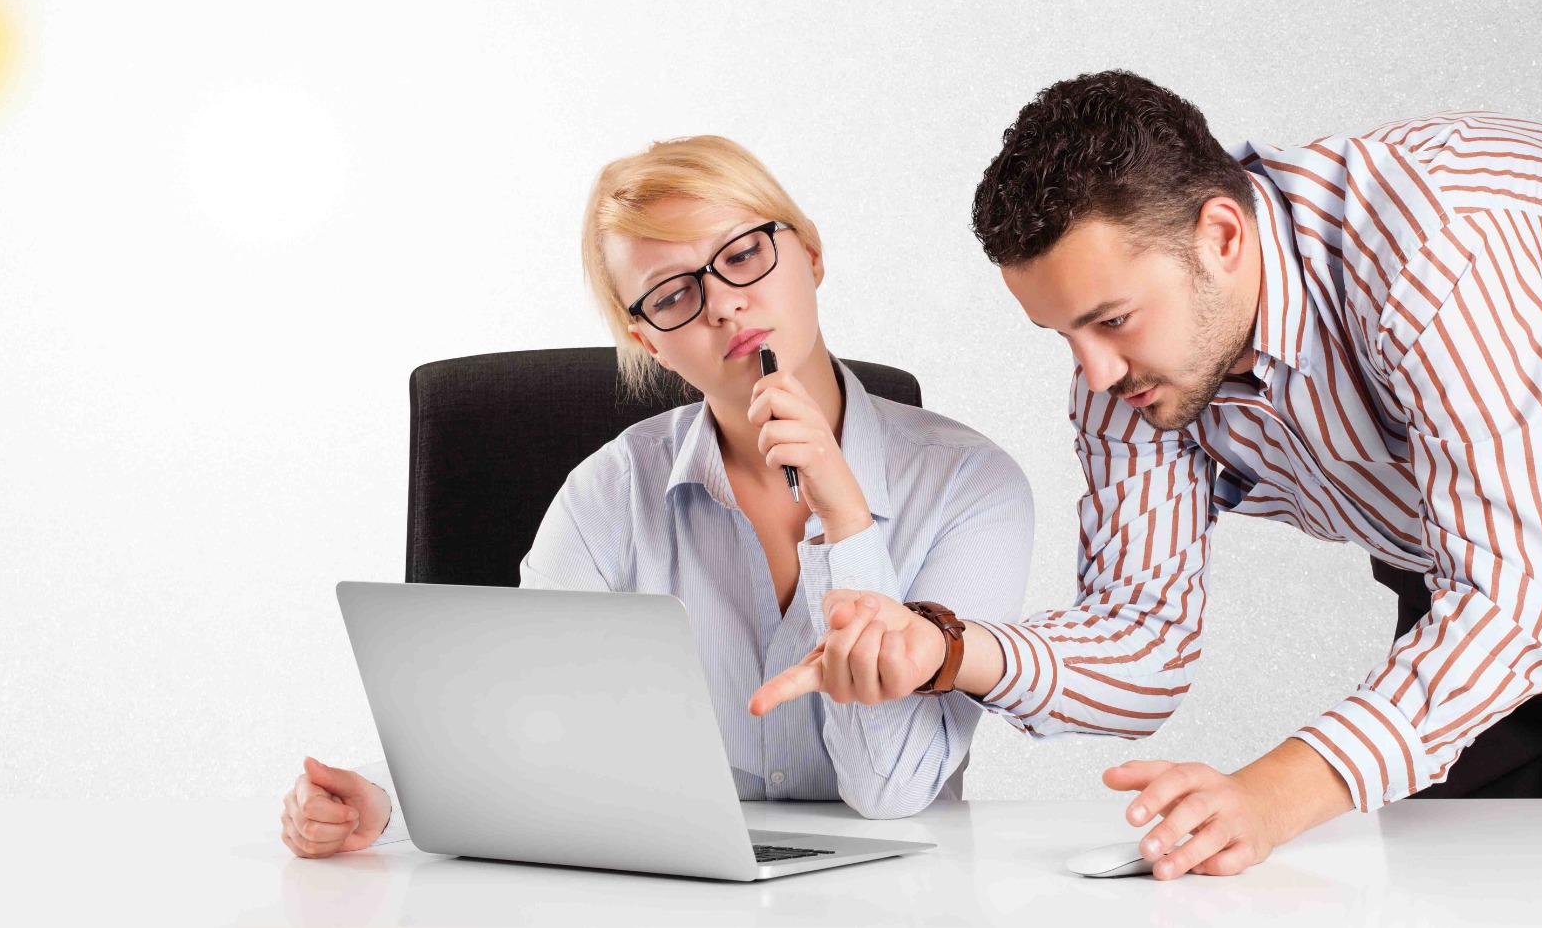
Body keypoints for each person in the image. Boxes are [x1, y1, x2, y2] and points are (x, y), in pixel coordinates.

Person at [751, 72, 1542, 881]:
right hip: (1463, 583)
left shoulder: (1437, 256)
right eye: (1062, 335)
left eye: (1112, 319)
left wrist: (1272, 797)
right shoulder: (1132, 379)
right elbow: (1142, 640)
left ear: (1223, 236)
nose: (1095, 375)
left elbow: (1516, 604)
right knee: (1459, 894)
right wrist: (948, 651)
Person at [279, 135, 1034, 859]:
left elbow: (892, 787)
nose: (724, 306)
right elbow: (518, 726)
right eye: (674, 294)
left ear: (809, 252)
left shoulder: (973, 488)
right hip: (661, 893)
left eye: (743, 255)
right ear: (648, 342)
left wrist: (846, 521)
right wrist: (383, 802)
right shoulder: (608, 493)